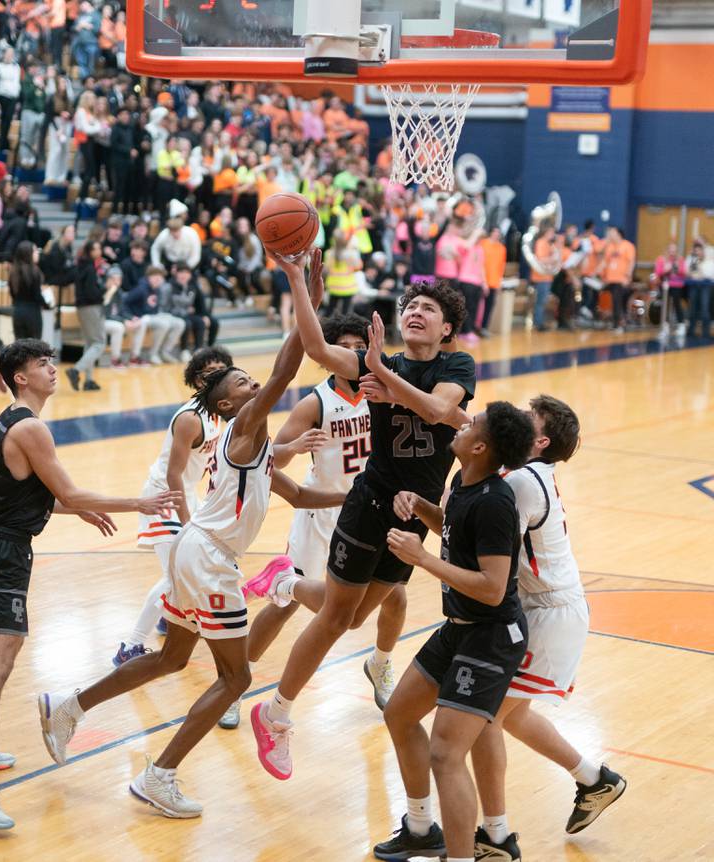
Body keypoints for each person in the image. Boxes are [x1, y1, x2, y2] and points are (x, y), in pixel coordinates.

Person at [37, 252, 348, 817]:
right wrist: (304, 287)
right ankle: (159, 775)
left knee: (171, 660)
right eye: (241, 381)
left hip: (194, 551)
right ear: (228, 403)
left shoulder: (249, 446)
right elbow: (287, 366)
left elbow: (300, 495)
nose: (254, 381)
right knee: (237, 677)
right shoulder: (245, 427)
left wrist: (357, 494)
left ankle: (68, 706)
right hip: (207, 555)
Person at [0, 338, 184, 831]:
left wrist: (77, 509)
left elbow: (27, 495)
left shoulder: (13, 418)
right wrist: (136, 504)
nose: (52, 369)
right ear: (20, 377)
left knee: (0, 663)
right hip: (2, 552)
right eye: (42, 364)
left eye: (52, 360)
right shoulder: (31, 427)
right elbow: (69, 490)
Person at [251, 273, 475, 781]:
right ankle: (276, 713)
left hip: (415, 513)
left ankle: (285, 581)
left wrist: (383, 378)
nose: (415, 311)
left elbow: (440, 409)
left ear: (447, 329)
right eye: (411, 304)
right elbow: (314, 346)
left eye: (429, 309)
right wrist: (296, 279)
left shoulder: (455, 365)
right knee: (335, 619)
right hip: (370, 501)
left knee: (351, 618)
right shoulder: (382, 363)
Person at [372, 401, 536, 862]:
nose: (465, 422)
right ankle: (422, 828)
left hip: (491, 634)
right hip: (458, 627)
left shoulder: (497, 502)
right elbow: (457, 531)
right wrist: (423, 508)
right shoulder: (462, 482)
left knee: (445, 753)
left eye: (473, 423)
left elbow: (492, 587)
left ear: (481, 446)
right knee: (400, 713)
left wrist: (423, 560)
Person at [469, 395, 626, 859]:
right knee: (511, 717)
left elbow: (488, 550)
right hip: (547, 606)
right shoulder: (528, 474)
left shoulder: (520, 482)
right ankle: (595, 780)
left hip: (548, 612)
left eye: (526, 418)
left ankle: (494, 837)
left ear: (538, 440)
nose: (514, 420)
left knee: (484, 721)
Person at [239, 313, 409, 722]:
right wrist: (296, 445)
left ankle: (380, 663)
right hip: (323, 511)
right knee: (285, 605)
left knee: (395, 596)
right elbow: (266, 459)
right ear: (329, 356)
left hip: (374, 509)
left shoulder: (385, 389)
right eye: (345, 347)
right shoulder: (314, 403)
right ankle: (235, 680)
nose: (353, 353)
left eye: (359, 345)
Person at [112, 345, 233, 665]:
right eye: (208, 373)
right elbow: (173, 473)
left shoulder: (217, 414)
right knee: (174, 577)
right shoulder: (191, 418)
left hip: (185, 493)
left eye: (222, 371)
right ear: (196, 380)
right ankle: (130, 645)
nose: (216, 377)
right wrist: (187, 522)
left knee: (183, 573)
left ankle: (167, 614)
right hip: (163, 496)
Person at [122, 265, 186, 365]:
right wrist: (130, 317)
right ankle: (153, 353)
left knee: (180, 323)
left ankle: (165, 351)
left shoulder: (156, 288)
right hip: (142, 317)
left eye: (160, 278)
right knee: (163, 324)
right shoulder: (141, 289)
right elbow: (124, 303)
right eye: (156, 277)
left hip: (153, 315)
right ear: (149, 277)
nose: (159, 280)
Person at [67, 239, 106, 391]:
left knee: (90, 343)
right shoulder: (89, 268)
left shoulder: (82, 266)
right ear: (91, 252)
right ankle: (76, 370)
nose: (100, 251)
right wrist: (103, 292)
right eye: (97, 248)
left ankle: (89, 380)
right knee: (99, 343)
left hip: (83, 308)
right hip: (91, 307)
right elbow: (91, 292)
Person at [597, 226, 635, 334]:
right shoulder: (610, 246)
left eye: (612, 232)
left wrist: (628, 276)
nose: (610, 234)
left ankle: (618, 325)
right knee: (599, 293)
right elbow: (605, 262)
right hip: (610, 280)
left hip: (621, 279)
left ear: (618, 234)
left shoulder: (628, 246)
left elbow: (631, 262)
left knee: (617, 301)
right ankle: (604, 320)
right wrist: (597, 272)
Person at [9, 240, 48, 339]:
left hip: (18, 312)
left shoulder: (13, 272)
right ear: (28, 254)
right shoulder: (34, 272)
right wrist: (47, 305)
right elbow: (37, 295)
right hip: (32, 312)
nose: (37, 253)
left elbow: (13, 294)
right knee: (35, 347)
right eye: (35, 251)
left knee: (20, 347)